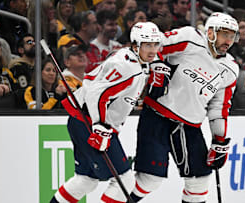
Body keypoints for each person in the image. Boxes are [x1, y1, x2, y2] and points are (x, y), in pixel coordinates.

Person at [50, 21, 170, 203]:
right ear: (136, 45)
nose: (153, 50)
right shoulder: (126, 66)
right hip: (90, 123)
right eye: (148, 45)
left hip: (83, 121)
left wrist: (158, 66)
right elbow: (96, 94)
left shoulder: (136, 59)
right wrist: (99, 126)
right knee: (125, 180)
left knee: (86, 180)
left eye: (155, 45)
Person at [129, 12, 239, 203]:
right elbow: (157, 44)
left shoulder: (230, 68)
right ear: (211, 32)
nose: (228, 40)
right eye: (224, 34)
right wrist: (156, 66)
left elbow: (219, 107)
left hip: (189, 125)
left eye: (232, 36)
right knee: (149, 180)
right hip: (157, 116)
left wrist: (219, 140)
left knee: (200, 180)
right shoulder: (190, 39)